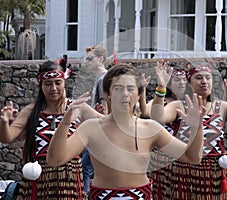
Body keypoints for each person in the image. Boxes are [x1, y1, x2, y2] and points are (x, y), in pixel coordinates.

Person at [46, 63, 205, 199]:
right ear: (107, 94)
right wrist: (65, 123)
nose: (125, 95)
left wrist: (197, 128)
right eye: (118, 88)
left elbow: (192, 157)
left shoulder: (151, 128)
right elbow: (55, 160)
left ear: (138, 94)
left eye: (130, 89)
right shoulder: (91, 128)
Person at [149, 61, 227, 199]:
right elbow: (158, 116)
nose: (204, 81)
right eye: (198, 78)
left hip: (213, 175)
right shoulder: (178, 105)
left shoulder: (222, 107)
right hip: (184, 172)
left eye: (207, 77)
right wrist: (161, 87)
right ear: (189, 83)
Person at [0, 60, 102, 199]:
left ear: (64, 82)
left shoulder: (77, 108)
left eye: (57, 82)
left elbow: (106, 123)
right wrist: (4, 123)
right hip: (38, 177)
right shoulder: (31, 110)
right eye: (48, 83)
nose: (53, 88)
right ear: (41, 85)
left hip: (69, 177)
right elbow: (7, 137)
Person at [80, 44, 109, 195]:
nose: (87, 62)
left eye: (90, 59)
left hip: (99, 130)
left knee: (84, 169)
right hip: (99, 129)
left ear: (100, 59)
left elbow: (105, 108)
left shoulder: (103, 79)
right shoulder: (101, 78)